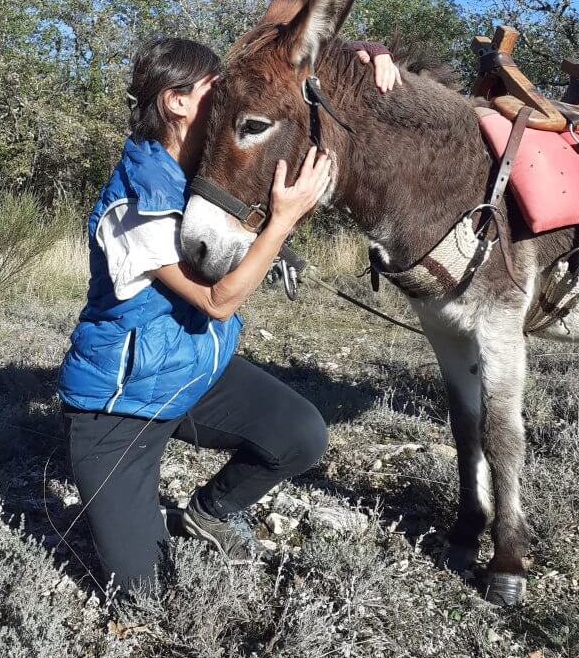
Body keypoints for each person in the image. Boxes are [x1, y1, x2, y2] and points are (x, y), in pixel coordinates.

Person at [57, 33, 401, 593]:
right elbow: (219, 301)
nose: (228, 100)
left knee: (301, 434)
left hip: (191, 376)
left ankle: (210, 511)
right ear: (176, 101)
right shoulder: (134, 201)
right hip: (116, 409)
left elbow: (286, 60)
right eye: (213, 91)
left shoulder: (200, 174)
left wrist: (362, 52)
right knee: (148, 593)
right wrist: (283, 222)